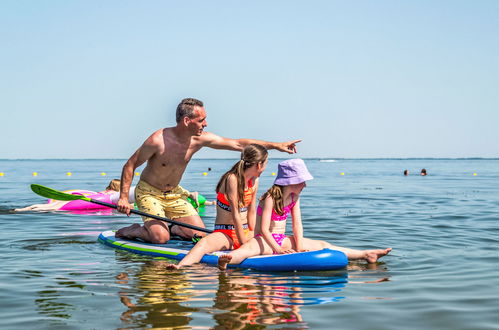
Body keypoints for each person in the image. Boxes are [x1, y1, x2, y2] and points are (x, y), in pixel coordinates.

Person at [116, 98, 300, 243]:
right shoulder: (157, 141)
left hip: (174, 194)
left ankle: (171, 227)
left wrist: (276, 145)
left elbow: (237, 144)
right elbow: (130, 165)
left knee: (199, 234)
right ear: (187, 121)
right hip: (149, 193)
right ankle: (134, 230)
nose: (206, 124)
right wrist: (124, 197)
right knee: (160, 239)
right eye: (201, 120)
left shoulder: (199, 140)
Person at [218, 159, 392, 270]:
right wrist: (278, 250)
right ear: (291, 182)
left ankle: (366, 254)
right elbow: (263, 229)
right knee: (247, 250)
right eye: (302, 182)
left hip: (282, 238)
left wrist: (299, 246)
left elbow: (297, 225)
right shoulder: (270, 197)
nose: (305, 185)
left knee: (323, 244)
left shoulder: (295, 196)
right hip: (264, 239)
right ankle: (228, 261)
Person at [166, 144, 268, 269]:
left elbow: (251, 212)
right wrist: (244, 244)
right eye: (265, 164)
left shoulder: (254, 181)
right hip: (225, 233)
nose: (265, 168)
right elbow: (235, 215)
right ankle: (180, 266)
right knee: (203, 244)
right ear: (259, 165)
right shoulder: (232, 179)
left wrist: (254, 234)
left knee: (269, 236)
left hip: (246, 231)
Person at [14, 179, 134, 212]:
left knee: (48, 206)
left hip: (79, 198)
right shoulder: (114, 195)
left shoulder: (102, 192)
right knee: (53, 209)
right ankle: (26, 209)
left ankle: (25, 208)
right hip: (83, 202)